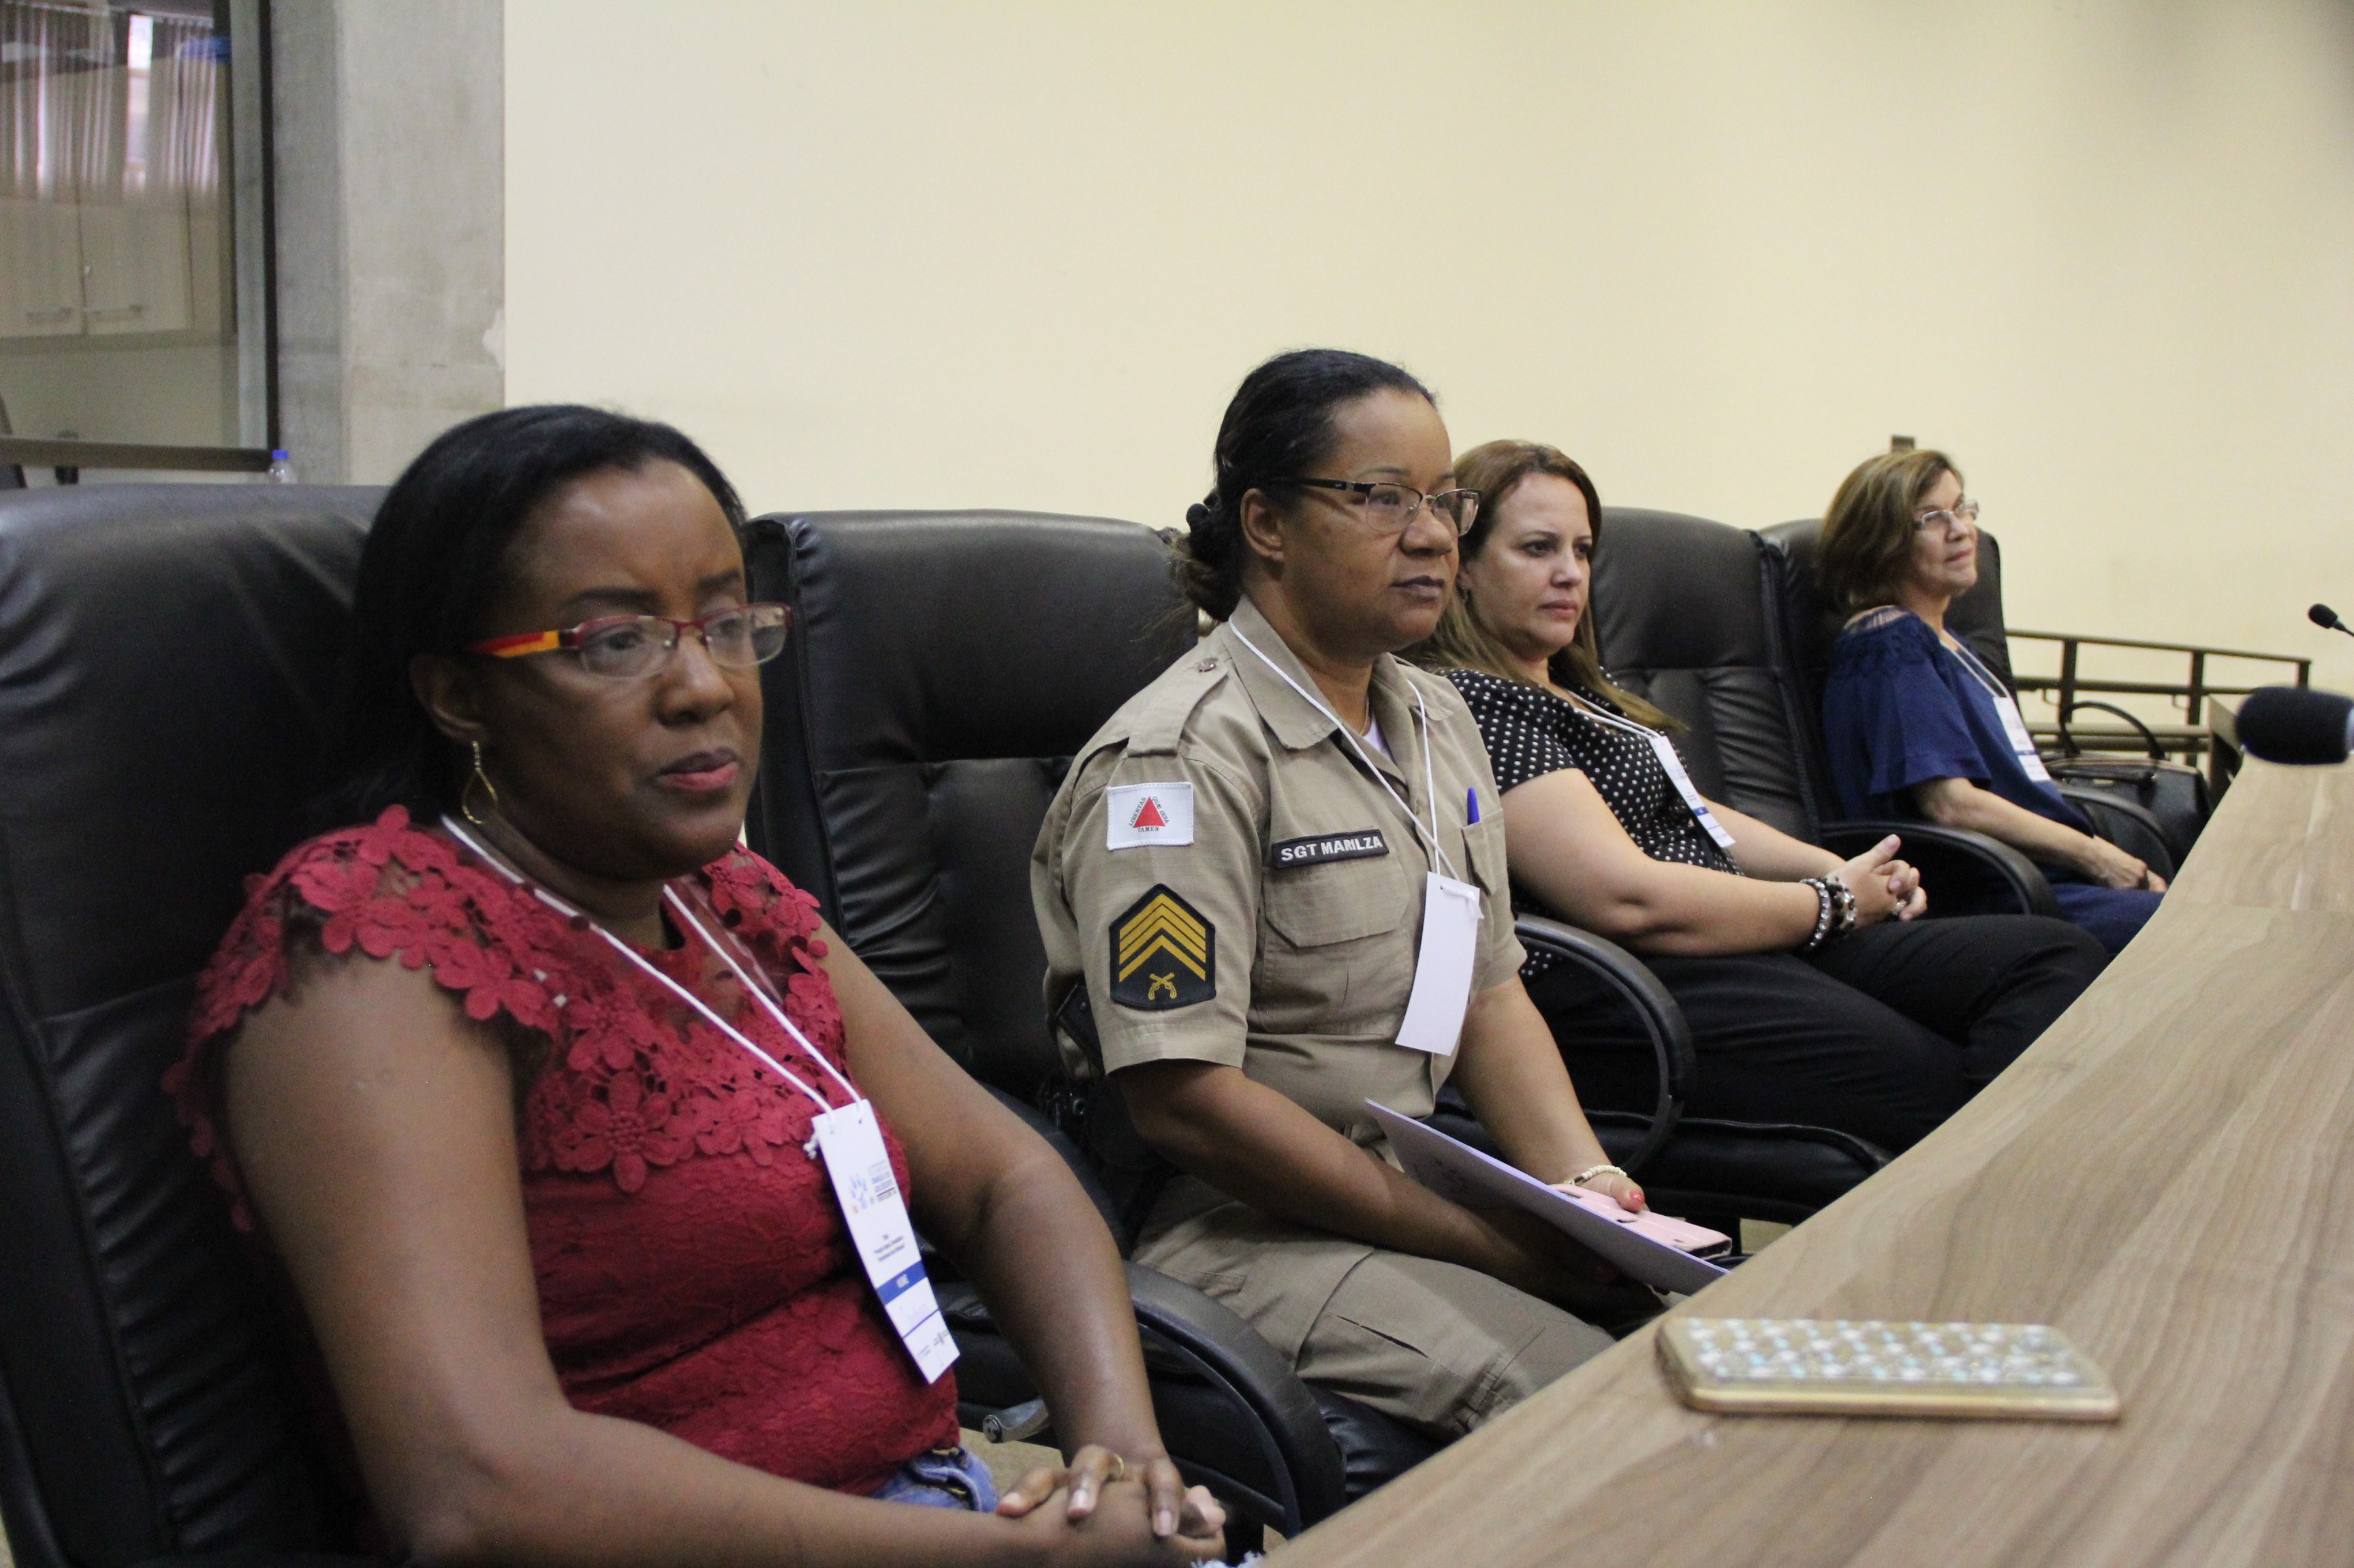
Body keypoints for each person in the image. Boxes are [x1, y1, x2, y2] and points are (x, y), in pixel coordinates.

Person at [163, 406, 1224, 1567]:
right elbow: (477, 1487)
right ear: (460, 695)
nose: (703, 686)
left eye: (726, 623)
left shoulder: (722, 892)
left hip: (944, 1491)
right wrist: (1024, 1560)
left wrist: (1118, 1457)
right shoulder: (376, 950)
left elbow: (1007, 1177)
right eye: (615, 642)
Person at [1031, 350, 1659, 1444]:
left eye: (1444, 501)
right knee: (1590, 1409)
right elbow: (1188, 1104)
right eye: (1382, 498)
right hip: (1233, 1224)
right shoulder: (1177, 768)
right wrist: (1487, 1241)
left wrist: (1585, 1187)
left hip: (1409, 1181)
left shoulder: (1437, 722)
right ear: (1266, 524)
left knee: (1676, 1344)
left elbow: (1488, 993)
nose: (1432, 536)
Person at [1418, 439, 2105, 1154]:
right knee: (1943, 1086)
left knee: (2051, 959)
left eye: (1583, 551)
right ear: (1463, 567)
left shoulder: (1582, 692)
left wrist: (1841, 869)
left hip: (1744, 937)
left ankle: (2005, 1190)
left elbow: (1698, 812)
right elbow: (1626, 901)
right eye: (1537, 549)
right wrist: (1832, 904)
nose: (1570, 574)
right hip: (1654, 977)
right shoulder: (1480, 703)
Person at [1815, 449, 2164, 955]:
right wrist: (2098, 857)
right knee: (2193, 935)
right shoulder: (1889, 641)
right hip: (1995, 891)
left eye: (1962, 509)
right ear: (1882, 544)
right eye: (1932, 519)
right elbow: (1951, 805)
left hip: (2038, 879)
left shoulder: (1952, 643)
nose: (1960, 530)